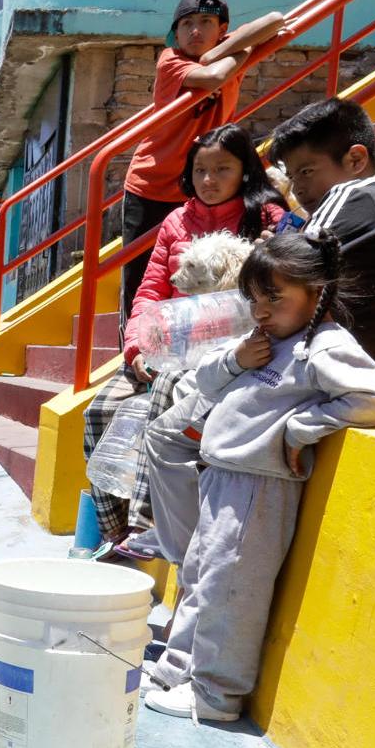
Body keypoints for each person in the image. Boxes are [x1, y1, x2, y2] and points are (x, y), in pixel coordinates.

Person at [142, 232, 375, 722]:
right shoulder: (267, 340)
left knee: (230, 588)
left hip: (258, 486)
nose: (261, 310)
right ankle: (179, 667)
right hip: (224, 474)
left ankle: (216, 694)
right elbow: (205, 380)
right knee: (197, 575)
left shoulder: (322, 346)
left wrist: (300, 429)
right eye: (254, 299)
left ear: (316, 292)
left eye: (274, 298)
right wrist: (237, 359)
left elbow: (372, 398)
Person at [85, 123, 288, 557]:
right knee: (99, 411)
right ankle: (113, 533)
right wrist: (136, 346)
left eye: (222, 169)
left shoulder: (267, 216)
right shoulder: (176, 221)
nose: (209, 181)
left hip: (230, 350)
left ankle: (147, 524)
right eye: (200, 170)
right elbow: (150, 289)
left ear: (245, 171)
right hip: (169, 342)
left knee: (162, 393)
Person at [118, 0, 285, 311]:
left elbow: (275, 20)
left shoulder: (227, 47)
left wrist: (223, 50)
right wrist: (237, 53)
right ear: (175, 33)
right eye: (186, 24)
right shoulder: (171, 60)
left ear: (222, 28)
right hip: (152, 184)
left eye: (206, 22)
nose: (195, 31)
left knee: (202, 273)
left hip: (203, 184)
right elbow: (214, 77)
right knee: (142, 278)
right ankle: (133, 354)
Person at [270, 97, 375, 375]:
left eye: (307, 171)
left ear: (355, 159)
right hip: (349, 371)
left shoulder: (353, 195)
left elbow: (271, 282)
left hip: (311, 372)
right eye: (293, 176)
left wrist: (265, 255)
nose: (298, 188)